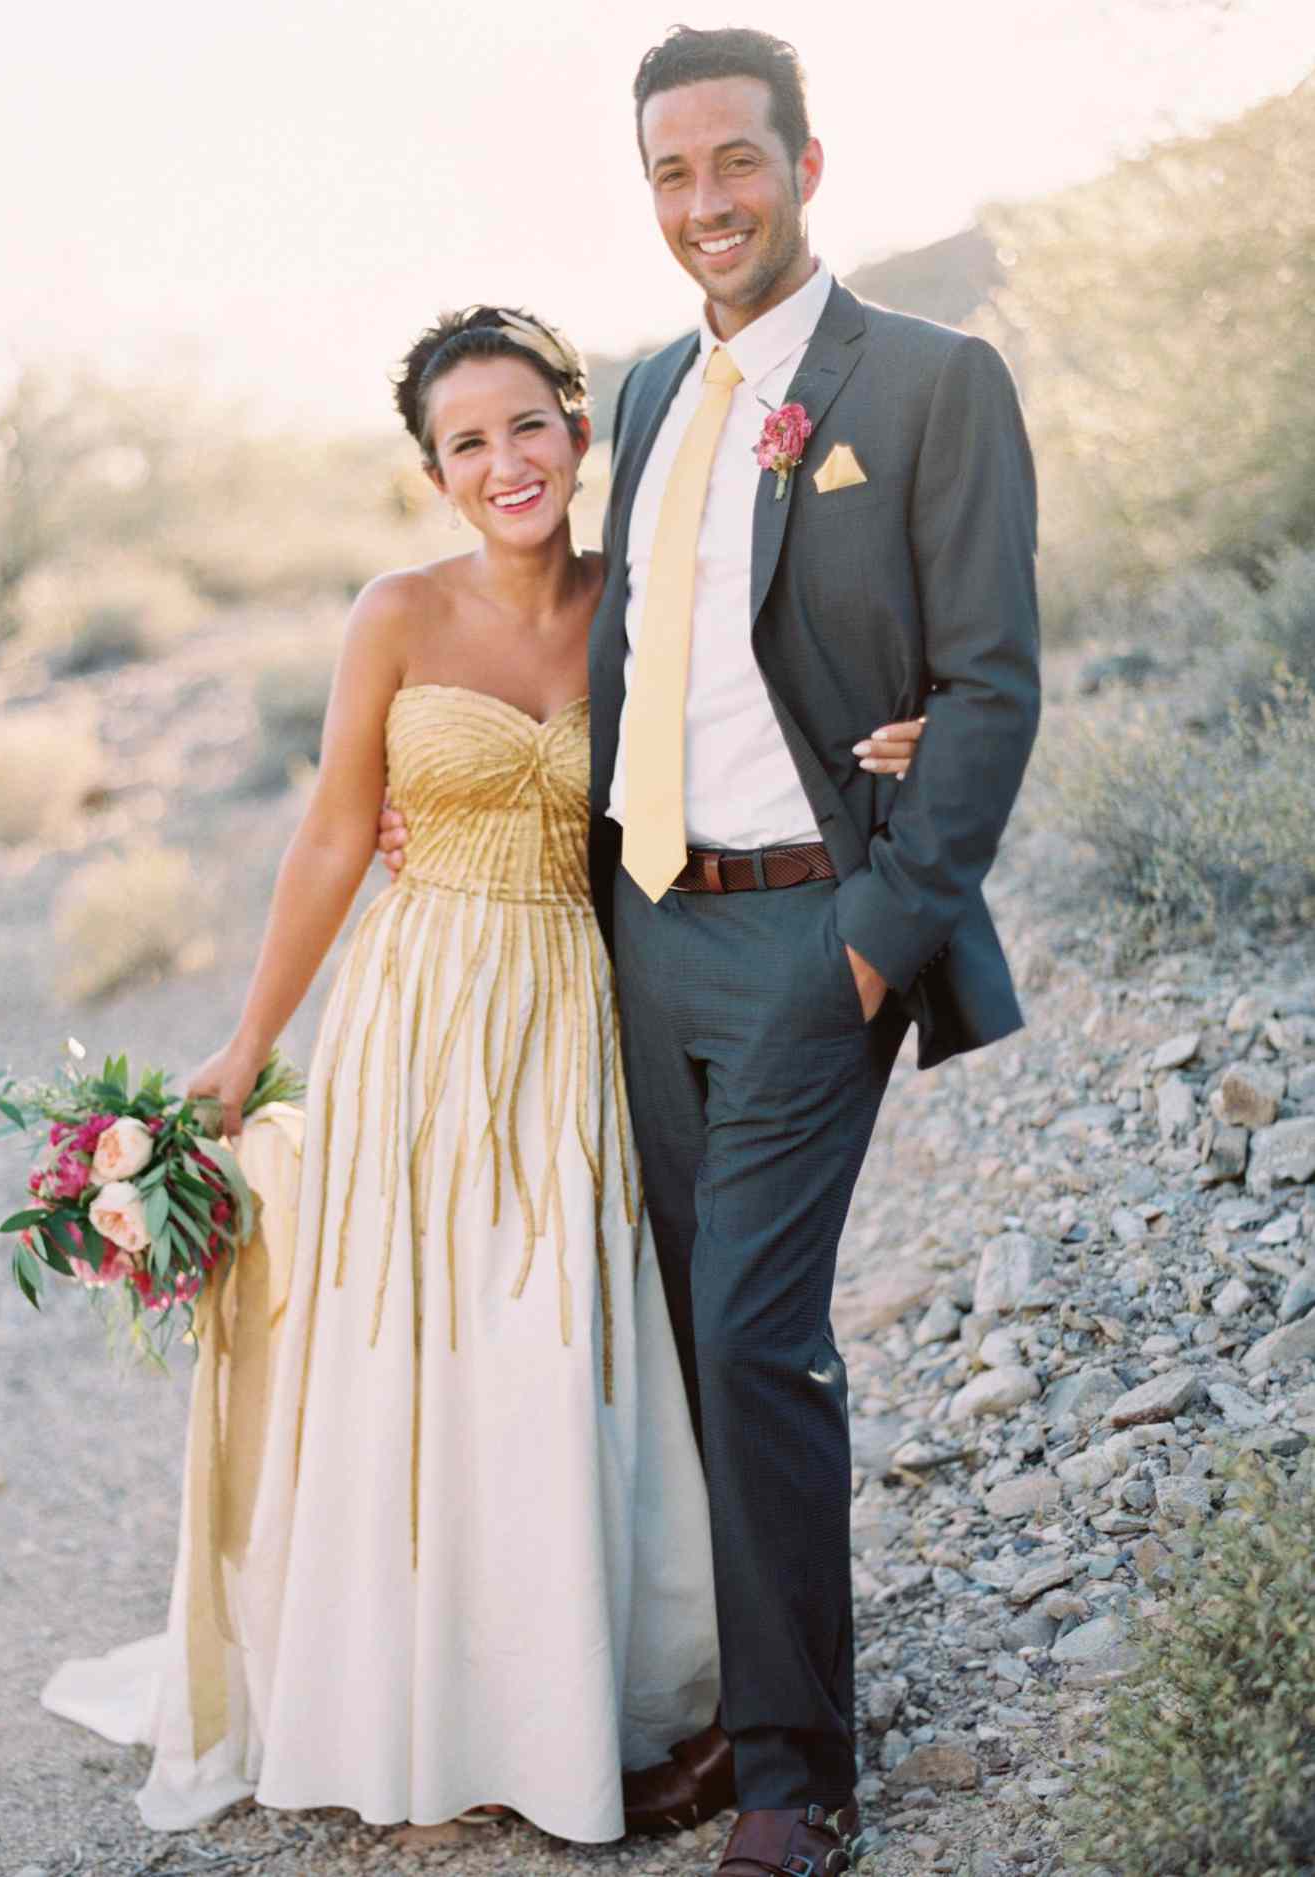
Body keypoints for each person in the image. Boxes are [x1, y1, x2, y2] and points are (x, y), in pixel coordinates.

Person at [40, 305, 928, 1842]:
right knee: (417, 1348)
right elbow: (334, 830)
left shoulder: (641, 608)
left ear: (581, 433)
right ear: (433, 472)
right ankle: (417, 1703)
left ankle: (574, 1707)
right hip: (415, 1010)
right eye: (466, 442)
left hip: (582, 1006)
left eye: (528, 424)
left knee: (549, 1352)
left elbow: (745, 727)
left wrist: (908, 729)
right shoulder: (395, 612)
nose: (504, 461)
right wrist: (247, 1048)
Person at [383, 26, 1041, 1876]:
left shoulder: (929, 383)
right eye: (670, 175)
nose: (703, 205)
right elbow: (618, 645)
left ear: (808, 168)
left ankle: (793, 1783)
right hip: (640, 935)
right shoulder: (654, 390)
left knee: (755, 1337)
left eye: (734, 165)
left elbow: (989, 681)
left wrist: (883, 933)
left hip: (808, 940)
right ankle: (737, 1711)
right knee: (681, 1333)